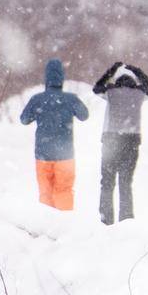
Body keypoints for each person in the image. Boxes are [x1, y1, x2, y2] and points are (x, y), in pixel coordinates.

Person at [20, 58, 89, 210]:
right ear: (62, 78)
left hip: (43, 155)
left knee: (45, 193)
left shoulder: (37, 100)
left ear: (46, 78)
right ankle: (64, 226)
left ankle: (47, 226)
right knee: (64, 191)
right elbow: (84, 116)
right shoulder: (71, 99)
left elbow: (24, 119)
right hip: (65, 155)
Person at [91, 61, 148, 225]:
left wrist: (111, 70)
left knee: (107, 181)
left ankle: (106, 219)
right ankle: (126, 219)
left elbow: (97, 88)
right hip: (132, 140)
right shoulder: (139, 94)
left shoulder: (111, 92)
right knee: (125, 182)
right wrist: (137, 70)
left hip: (111, 139)